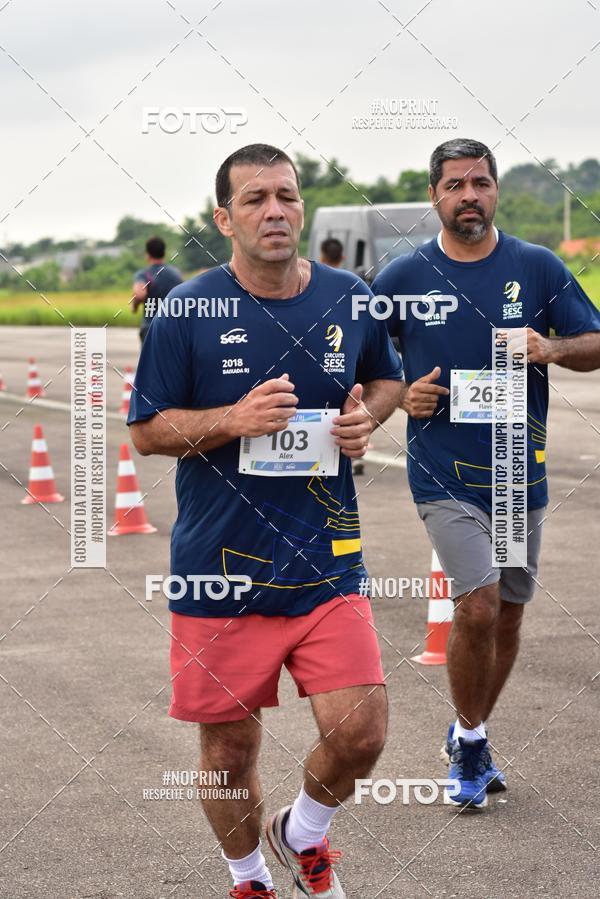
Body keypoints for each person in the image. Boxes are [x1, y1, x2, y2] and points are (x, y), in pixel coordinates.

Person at [128, 143, 404, 897]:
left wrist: (366, 418)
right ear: (224, 218)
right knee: (225, 752)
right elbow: (147, 430)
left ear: (302, 207)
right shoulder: (185, 309)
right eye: (254, 199)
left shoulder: (350, 295)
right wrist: (234, 417)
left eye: (285, 195)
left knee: (362, 733)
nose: (274, 210)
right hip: (221, 572)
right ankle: (249, 878)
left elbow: (386, 378)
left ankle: (304, 833)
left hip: (327, 562)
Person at [371, 138, 600, 809]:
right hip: (442, 472)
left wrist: (550, 346)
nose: (468, 195)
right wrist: (401, 388)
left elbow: (595, 341)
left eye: (480, 182)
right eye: (454, 185)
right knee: (476, 600)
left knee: (505, 614)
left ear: (495, 190)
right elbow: (356, 355)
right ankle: (470, 745)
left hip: (515, 473)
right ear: (434, 196)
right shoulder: (404, 277)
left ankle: (469, 728)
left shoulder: (537, 266)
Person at [131, 236, 182, 344]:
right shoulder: (176, 273)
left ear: (147, 254)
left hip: (151, 326)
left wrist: (134, 306)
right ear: (164, 252)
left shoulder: (144, 274)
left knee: (151, 360)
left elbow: (140, 294)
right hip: (173, 327)